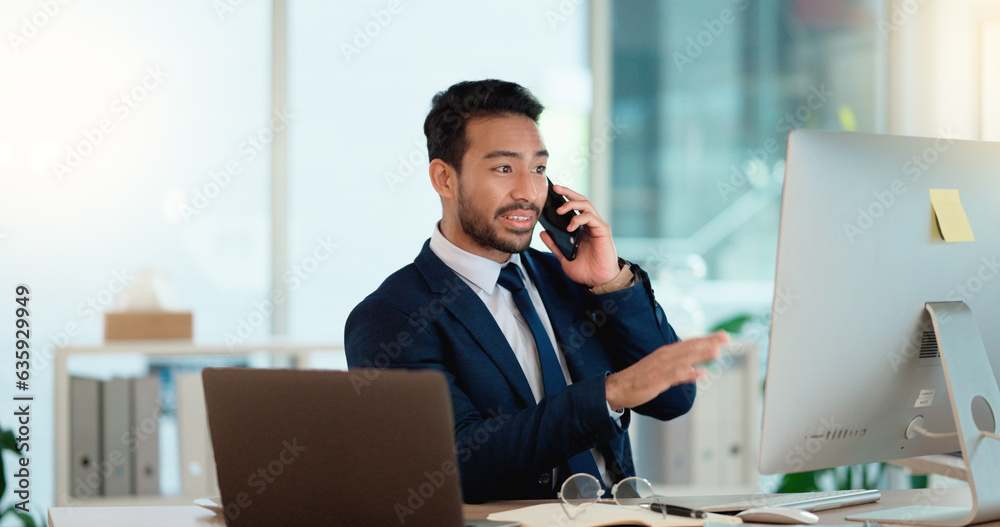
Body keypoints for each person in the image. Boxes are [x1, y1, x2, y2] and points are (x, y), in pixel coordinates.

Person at [345, 79, 727, 503]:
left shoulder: (572, 278)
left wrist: (611, 282)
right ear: (444, 178)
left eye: (539, 168)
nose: (528, 192)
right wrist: (608, 395)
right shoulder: (391, 317)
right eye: (504, 168)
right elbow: (454, 468)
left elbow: (673, 399)